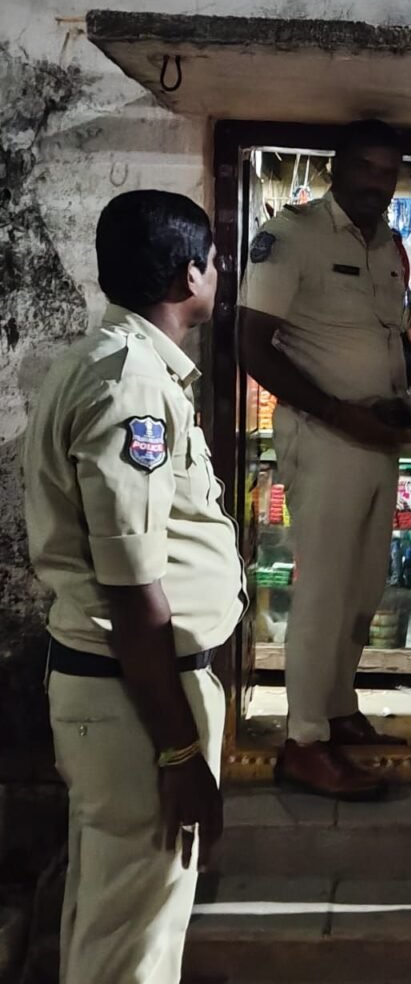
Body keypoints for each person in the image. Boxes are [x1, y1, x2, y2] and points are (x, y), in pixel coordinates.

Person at [22, 190, 246, 984]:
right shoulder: (132, 384)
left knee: (111, 923)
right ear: (189, 276)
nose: (220, 272)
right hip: (137, 699)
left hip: (125, 690)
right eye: (214, 261)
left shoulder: (107, 362)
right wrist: (180, 751)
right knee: (135, 945)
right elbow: (133, 587)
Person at [239, 119, 410, 800]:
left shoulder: (390, 244)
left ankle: (338, 709)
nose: (377, 182)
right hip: (324, 433)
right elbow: (251, 343)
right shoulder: (293, 235)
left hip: (378, 435)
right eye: (365, 167)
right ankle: (304, 742)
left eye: (388, 171)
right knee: (323, 587)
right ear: (338, 168)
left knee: (364, 584)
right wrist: (338, 412)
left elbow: (388, 339)